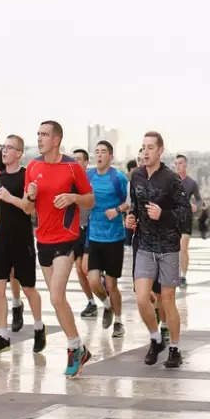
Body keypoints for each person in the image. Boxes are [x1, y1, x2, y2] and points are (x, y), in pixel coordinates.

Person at [26, 121, 96, 378]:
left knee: (56, 296)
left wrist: (73, 198)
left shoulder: (72, 167)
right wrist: (30, 197)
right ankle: (78, 346)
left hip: (66, 238)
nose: (40, 138)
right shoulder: (32, 167)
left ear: (56, 139)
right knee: (58, 302)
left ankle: (73, 348)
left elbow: (90, 199)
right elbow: (26, 208)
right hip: (42, 239)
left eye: (44, 134)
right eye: (38, 134)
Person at [126, 131, 188, 369]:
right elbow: (135, 205)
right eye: (143, 147)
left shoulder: (171, 179)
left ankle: (174, 348)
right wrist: (131, 217)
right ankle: (155, 338)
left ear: (161, 151)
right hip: (144, 245)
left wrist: (163, 214)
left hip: (168, 247)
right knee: (142, 298)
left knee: (167, 300)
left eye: (150, 147)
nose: (145, 152)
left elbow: (184, 213)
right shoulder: (137, 176)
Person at [0, 135, 46, 355]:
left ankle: (39, 327)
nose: (4, 151)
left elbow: (28, 208)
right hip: (2, 237)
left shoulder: (26, 177)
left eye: (10, 148)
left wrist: (9, 197)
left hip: (22, 239)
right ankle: (2, 335)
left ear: (19, 153)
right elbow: (2, 204)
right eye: (4, 147)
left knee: (28, 288)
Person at [85, 140, 129, 337]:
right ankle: (107, 304)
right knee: (93, 281)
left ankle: (119, 321)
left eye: (103, 152)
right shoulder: (89, 176)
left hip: (114, 237)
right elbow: (83, 197)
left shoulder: (118, 178)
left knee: (111, 284)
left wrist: (117, 210)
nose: (99, 155)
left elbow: (129, 202)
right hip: (94, 236)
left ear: (111, 156)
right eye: (97, 152)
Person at [71, 148, 99, 319]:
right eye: (73, 159)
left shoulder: (93, 180)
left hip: (91, 229)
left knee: (85, 267)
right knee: (79, 270)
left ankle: (101, 286)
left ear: (87, 162)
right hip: (76, 230)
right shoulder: (69, 180)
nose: (76, 162)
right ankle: (91, 302)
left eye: (79, 159)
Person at [175, 154, 202, 288]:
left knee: (183, 248)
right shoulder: (171, 181)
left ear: (185, 165)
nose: (178, 166)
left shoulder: (192, 183)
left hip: (186, 218)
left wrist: (196, 205)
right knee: (173, 249)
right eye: (176, 164)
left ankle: (183, 276)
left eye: (180, 163)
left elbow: (198, 199)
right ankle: (172, 274)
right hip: (172, 219)